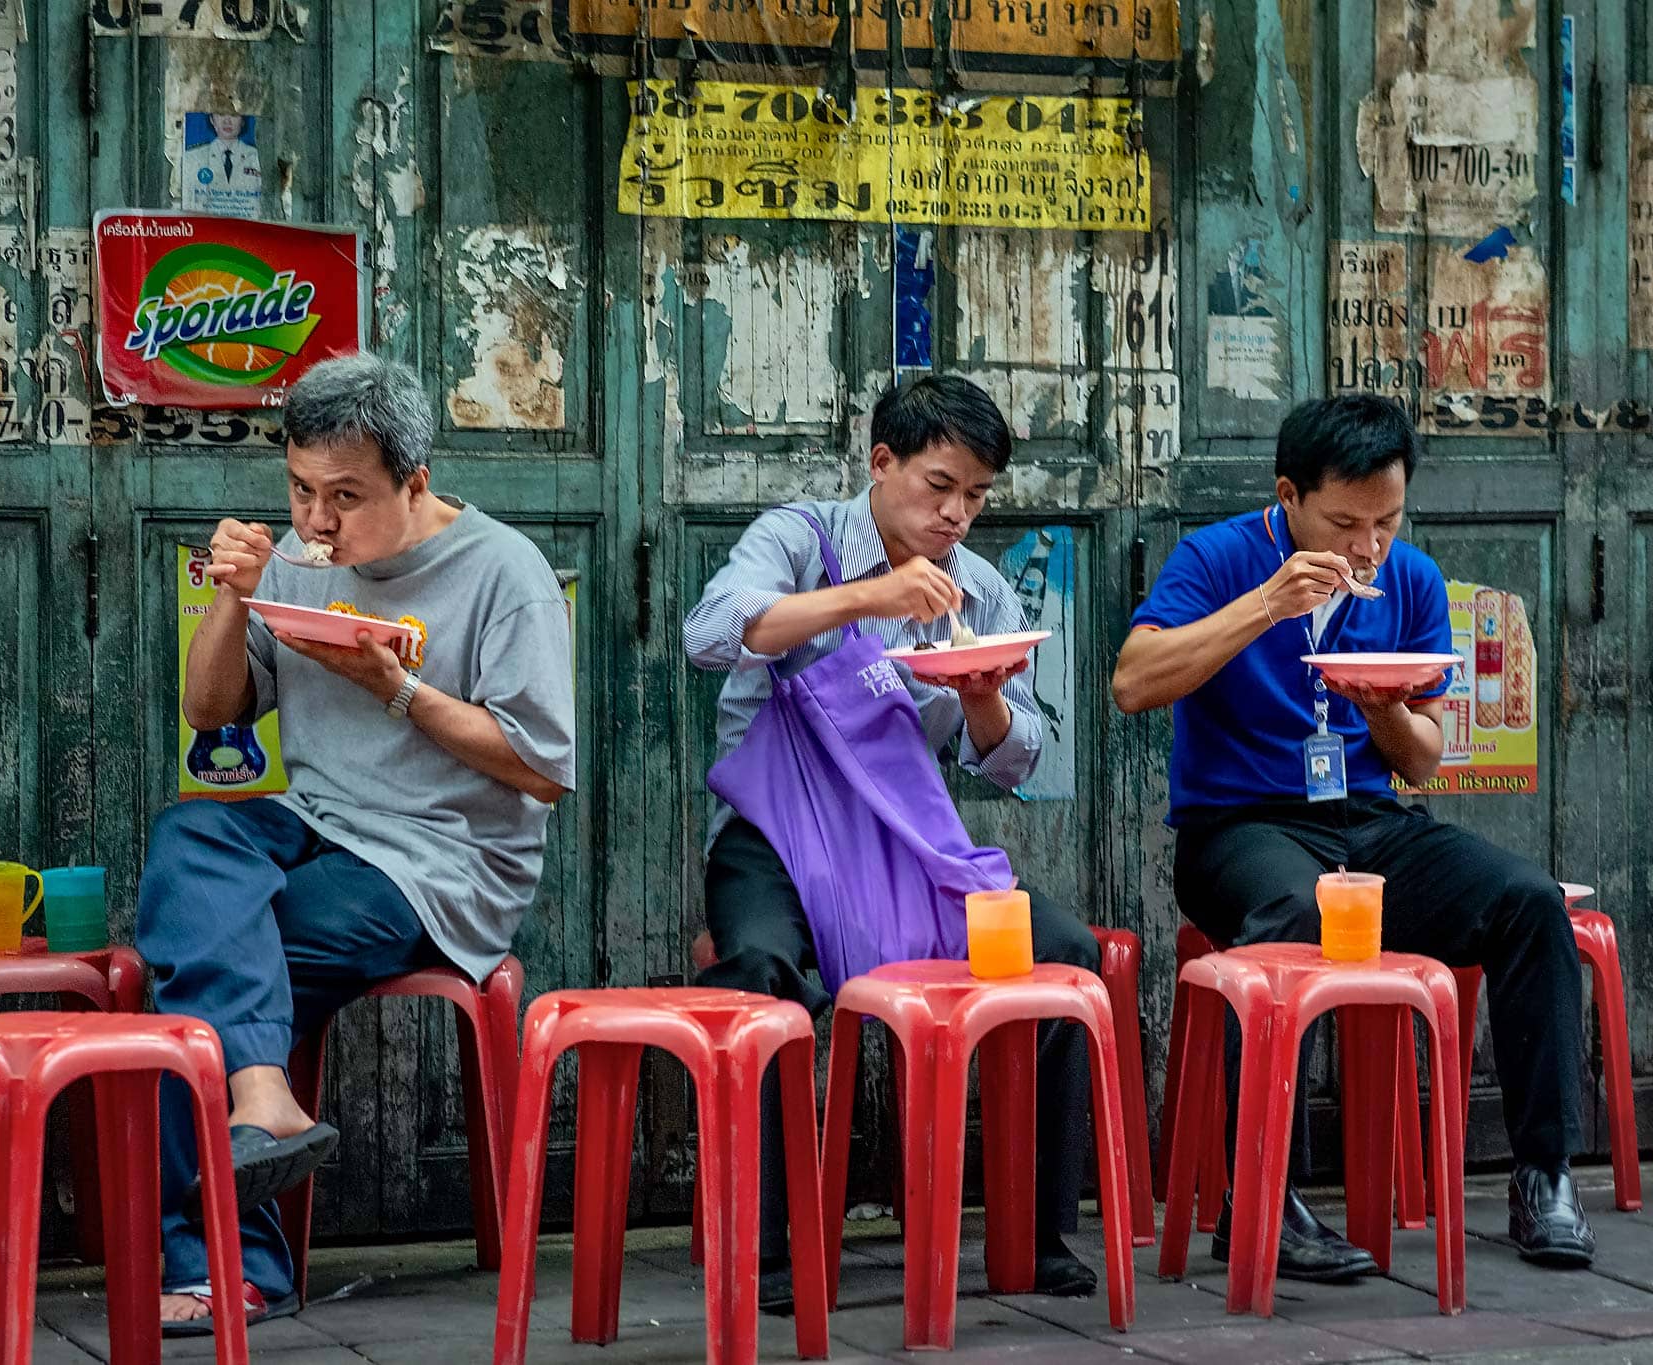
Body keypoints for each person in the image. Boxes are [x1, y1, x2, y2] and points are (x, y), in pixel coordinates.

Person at [138, 353, 576, 1334]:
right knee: (192, 834)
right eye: (300, 489)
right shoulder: (293, 559)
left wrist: (397, 690)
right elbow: (212, 714)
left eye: (346, 497)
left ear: (413, 484)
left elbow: (540, 769)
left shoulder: (502, 573)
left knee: (203, 959)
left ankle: (226, 1262)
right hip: (318, 821)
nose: (317, 522)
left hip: (445, 861)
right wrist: (233, 595)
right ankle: (262, 1102)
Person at [1111, 394, 1594, 1278]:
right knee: (1292, 909)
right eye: (1344, 521)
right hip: (1239, 826)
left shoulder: (1406, 578)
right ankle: (1263, 1201)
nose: (1368, 544)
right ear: (1290, 495)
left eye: (1387, 519)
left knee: (1527, 902)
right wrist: (1264, 605)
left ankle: (1544, 1176)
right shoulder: (1218, 557)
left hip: (1370, 823)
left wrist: (1385, 714)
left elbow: (1423, 763)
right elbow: (1134, 682)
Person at [685, 374, 1103, 1308]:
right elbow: (710, 632)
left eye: (978, 496)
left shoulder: (980, 589)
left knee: (1063, 957)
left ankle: (1034, 1236)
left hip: (906, 842)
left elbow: (1013, 758)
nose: (956, 514)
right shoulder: (799, 538)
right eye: (939, 485)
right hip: (775, 836)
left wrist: (987, 698)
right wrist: (866, 595)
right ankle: (771, 1248)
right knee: (758, 969)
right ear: (882, 463)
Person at [182, 112, 262, 209]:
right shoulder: (192, 158)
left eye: (234, 115)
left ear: (243, 120)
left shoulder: (257, 158)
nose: (227, 121)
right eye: (221, 114)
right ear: (212, 120)